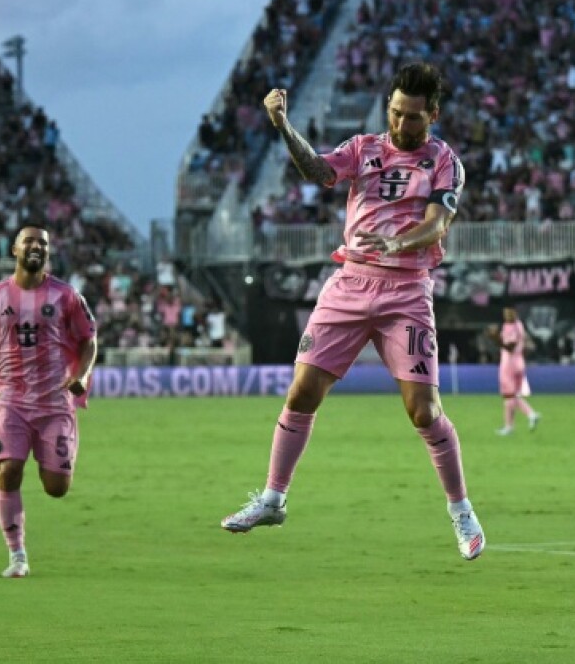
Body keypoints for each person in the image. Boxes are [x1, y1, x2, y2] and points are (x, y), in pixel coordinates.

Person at [221, 62, 485, 560]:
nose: (400, 124)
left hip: (406, 289)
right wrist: (283, 125)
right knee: (301, 392)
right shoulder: (363, 148)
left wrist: (395, 240)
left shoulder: (444, 161)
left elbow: (435, 226)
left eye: (411, 117)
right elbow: (319, 171)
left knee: (423, 411)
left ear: (432, 114)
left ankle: (462, 512)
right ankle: (273, 499)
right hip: (349, 284)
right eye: (394, 112)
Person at [0, 225, 98, 578]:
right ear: (15, 250)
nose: (36, 246)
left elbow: (89, 340)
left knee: (56, 488)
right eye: (29, 241)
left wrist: (80, 376)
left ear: (48, 253)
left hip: (54, 402)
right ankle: (17, 555)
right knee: (8, 470)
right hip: (10, 399)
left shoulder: (66, 297)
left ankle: (48, 454)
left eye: (43, 243)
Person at [488, 307, 540, 436]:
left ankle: (525, 417)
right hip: (519, 363)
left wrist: (495, 338)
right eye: (505, 313)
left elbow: (509, 347)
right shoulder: (516, 325)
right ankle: (514, 423)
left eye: (509, 312)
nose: (506, 315)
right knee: (513, 395)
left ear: (515, 313)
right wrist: (496, 336)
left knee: (508, 396)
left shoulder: (514, 327)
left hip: (509, 365)